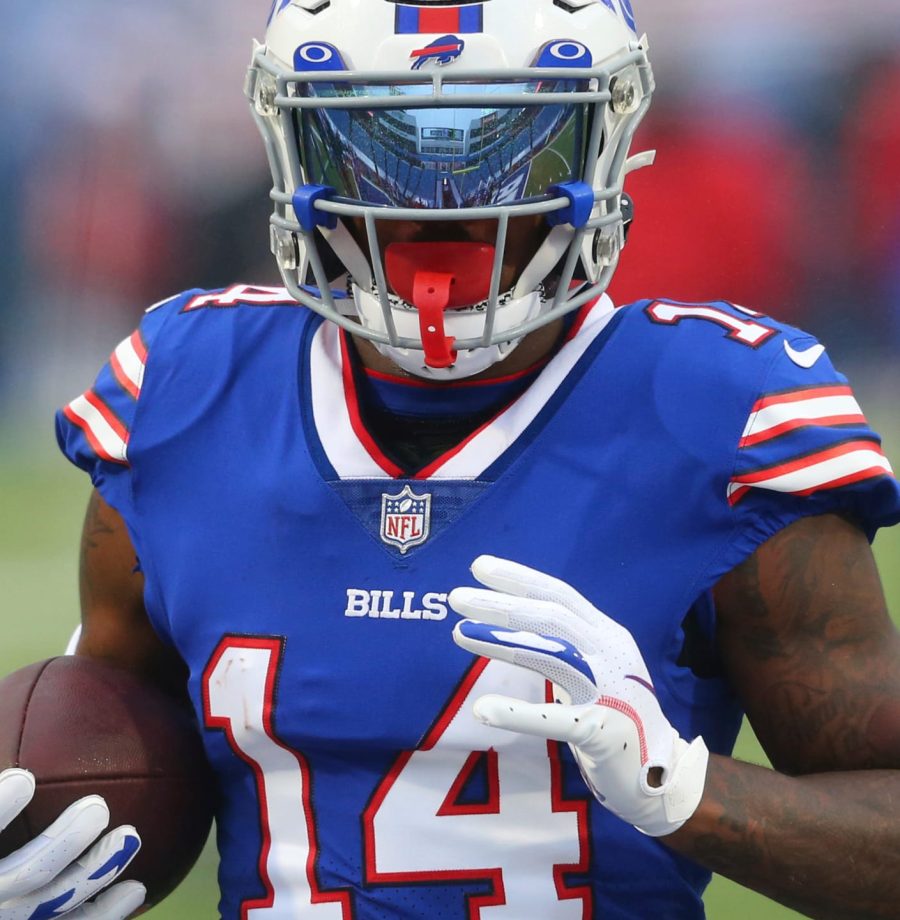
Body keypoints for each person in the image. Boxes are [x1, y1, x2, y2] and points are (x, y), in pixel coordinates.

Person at [2, 1, 900, 917]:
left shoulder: (718, 410)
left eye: (507, 140)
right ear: (293, 145)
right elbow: (118, 753)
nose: (443, 201)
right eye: (374, 136)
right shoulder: (186, 391)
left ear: (609, 139)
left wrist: (683, 790)